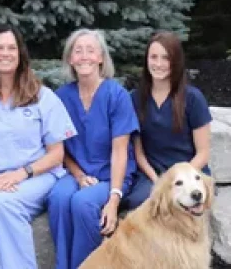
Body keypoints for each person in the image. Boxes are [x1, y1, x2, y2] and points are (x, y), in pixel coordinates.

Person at [0, 25, 76, 269]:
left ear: (20, 54)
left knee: (5, 203)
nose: (5, 53)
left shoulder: (42, 96)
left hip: (35, 176)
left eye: (11, 48)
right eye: (0, 48)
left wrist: (20, 174)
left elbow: (57, 155)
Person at [47, 28, 139, 269]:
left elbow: (120, 152)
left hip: (113, 176)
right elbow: (59, 149)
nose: (84, 56)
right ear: (70, 59)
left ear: (101, 58)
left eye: (91, 50)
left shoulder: (117, 96)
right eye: (78, 51)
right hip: (76, 172)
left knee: (83, 203)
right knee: (58, 197)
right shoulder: (61, 97)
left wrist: (114, 199)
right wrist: (78, 175)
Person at [122, 31, 212, 210]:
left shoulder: (193, 98)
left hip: (190, 173)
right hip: (151, 173)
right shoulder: (135, 99)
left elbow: (203, 153)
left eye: (166, 58)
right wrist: (160, 182)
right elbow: (139, 153)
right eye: (153, 57)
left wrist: (176, 179)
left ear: (176, 61)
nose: (158, 64)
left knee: (184, 201)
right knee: (140, 202)